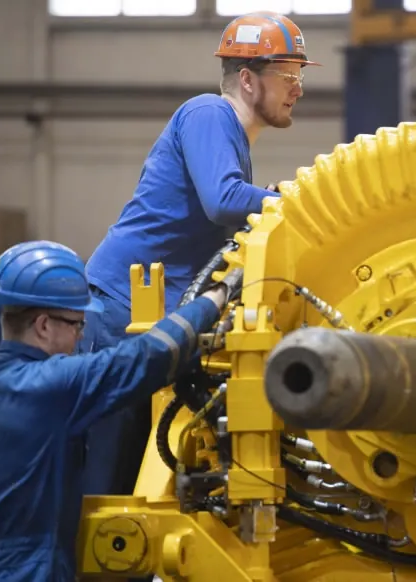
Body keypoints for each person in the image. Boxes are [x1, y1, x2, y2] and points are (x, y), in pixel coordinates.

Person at [79, 11, 321, 497]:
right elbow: (224, 200)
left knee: (139, 473)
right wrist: (303, 199)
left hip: (154, 314)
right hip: (122, 311)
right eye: (289, 76)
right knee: (108, 478)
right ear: (248, 79)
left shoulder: (231, 139)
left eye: (300, 77)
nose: (298, 89)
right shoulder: (209, 113)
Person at [0, 240, 232, 581]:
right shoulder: (48, 386)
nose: (80, 337)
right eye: (76, 324)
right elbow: (147, 356)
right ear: (43, 325)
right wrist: (217, 297)